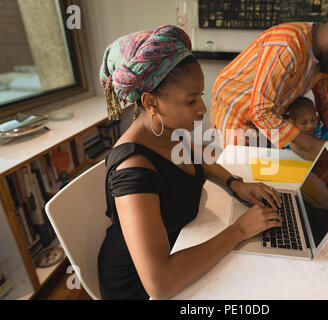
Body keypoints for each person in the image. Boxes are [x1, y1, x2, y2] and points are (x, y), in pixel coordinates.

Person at [97, 25, 283, 300]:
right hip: (138, 286)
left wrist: (235, 183)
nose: (203, 109)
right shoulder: (133, 169)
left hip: (181, 246)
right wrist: (240, 230)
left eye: (201, 96)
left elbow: (199, 160)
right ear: (151, 102)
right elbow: (160, 284)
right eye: (191, 100)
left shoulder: (167, 132)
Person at [210, 4, 328, 164]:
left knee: (269, 174)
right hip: (235, 111)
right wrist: (314, 145)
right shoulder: (286, 45)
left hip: (268, 117)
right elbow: (261, 111)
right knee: (240, 172)